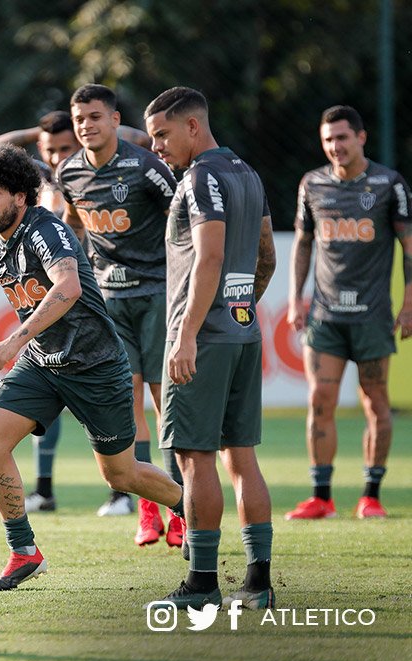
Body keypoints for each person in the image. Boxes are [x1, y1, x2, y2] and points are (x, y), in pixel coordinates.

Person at [0, 143, 183, 592]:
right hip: (43, 365)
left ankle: (192, 512)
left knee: (120, 474)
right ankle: (24, 551)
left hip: (97, 366)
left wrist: (12, 341)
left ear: (21, 196)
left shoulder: (46, 230)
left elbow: (69, 286)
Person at [144, 86, 277, 610]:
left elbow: (210, 255)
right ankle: (259, 583)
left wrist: (186, 334)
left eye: (162, 134)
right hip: (243, 331)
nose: (156, 146)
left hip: (204, 339)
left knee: (196, 459)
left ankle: (201, 585)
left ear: (193, 127)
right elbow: (264, 254)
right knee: (242, 458)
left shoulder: (199, 178)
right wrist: (239, 308)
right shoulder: (247, 173)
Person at [0, 111, 152, 516]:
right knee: (43, 397)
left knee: (130, 395)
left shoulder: (85, 173)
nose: (58, 155)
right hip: (54, 296)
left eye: (65, 147)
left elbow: (144, 140)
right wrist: (36, 131)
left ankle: (129, 496)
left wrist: (97, 128)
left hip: (90, 293)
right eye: (50, 148)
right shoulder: (37, 177)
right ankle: (46, 490)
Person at [59, 84, 184, 547]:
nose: (86, 126)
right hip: (108, 301)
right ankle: (148, 511)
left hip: (156, 295)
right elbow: (71, 225)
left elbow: (183, 218)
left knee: (163, 400)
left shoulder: (145, 166)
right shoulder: (68, 171)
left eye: (95, 117)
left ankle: (183, 510)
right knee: (127, 400)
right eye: (79, 120)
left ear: (114, 120)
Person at [284, 105, 412, 520]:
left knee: (375, 402)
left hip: (372, 314)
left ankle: (371, 494)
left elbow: (409, 247)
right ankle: (321, 496)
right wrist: (294, 297)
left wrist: (409, 301)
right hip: (325, 315)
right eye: (327, 140)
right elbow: (303, 244)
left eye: (342, 137)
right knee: (319, 399)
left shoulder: (389, 184)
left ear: (361, 138)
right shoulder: (312, 184)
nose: (335, 146)